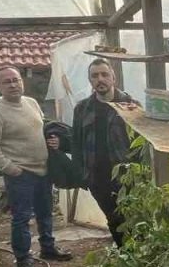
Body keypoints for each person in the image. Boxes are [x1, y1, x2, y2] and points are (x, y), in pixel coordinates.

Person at [0, 65, 72, 267]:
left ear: (22, 81)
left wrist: (55, 140)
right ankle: (23, 260)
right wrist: (11, 169)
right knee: (21, 218)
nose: (13, 84)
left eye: (16, 80)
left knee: (45, 211)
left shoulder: (30, 103)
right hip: (20, 174)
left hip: (43, 169)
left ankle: (48, 248)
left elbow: (42, 129)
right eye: (7, 81)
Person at [46, 58, 138, 246]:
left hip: (126, 176)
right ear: (90, 81)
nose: (100, 79)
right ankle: (125, 256)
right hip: (97, 178)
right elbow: (78, 142)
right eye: (95, 76)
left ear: (113, 78)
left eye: (104, 74)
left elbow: (140, 143)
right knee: (113, 219)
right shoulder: (83, 108)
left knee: (134, 218)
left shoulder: (130, 105)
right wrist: (81, 173)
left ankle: (140, 257)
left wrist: (141, 174)